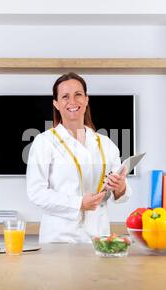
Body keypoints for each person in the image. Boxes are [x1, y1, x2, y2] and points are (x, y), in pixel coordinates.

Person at [26, 72, 132, 243]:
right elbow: (36, 193)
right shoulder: (44, 142)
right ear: (56, 103)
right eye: (65, 97)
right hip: (60, 240)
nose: (73, 102)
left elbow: (120, 192)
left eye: (78, 95)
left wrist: (120, 187)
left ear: (86, 99)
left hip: (99, 238)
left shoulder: (105, 143)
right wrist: (79, 204)